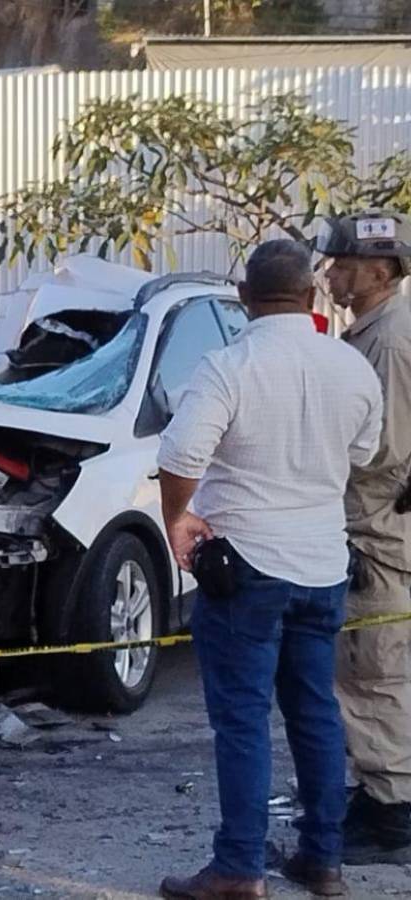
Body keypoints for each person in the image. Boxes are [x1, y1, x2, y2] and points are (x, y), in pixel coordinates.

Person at [157, 240, 383, 899]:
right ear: (311, 297)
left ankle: (238, 868)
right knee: (315, 712)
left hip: (247, 566)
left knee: (243, 718)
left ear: (245, 299)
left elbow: (181, 454)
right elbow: (364, 451)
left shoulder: (230, 365)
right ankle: (324, 860)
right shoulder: (350, 368)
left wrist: (178, 519)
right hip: (321, 564)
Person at [318, 210, 411, 865]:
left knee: (371, 676)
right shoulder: (377, 332)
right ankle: (379, 795)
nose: (331, 274)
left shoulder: (389, 343)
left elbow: (383, 451)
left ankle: (391, 815)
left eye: (344, 264)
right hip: (380, 525)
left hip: (375, 531)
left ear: (380, 272)